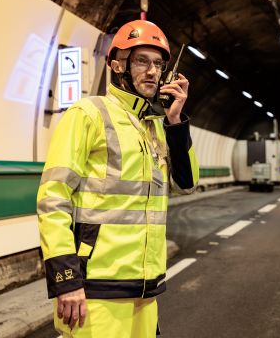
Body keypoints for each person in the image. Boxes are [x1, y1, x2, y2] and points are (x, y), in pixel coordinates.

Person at [37, 19, 199, 337]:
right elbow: (52, 199)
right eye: (141, 61)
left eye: (158, 64)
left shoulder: (157, 127)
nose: (152, 71)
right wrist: (66, 280)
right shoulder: (88, 114)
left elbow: (187, 184)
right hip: (97, 289)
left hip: (146, 289)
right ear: (117, 64)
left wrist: (176, 122)